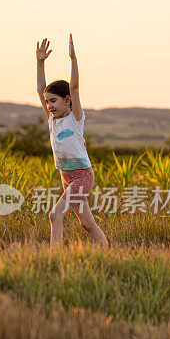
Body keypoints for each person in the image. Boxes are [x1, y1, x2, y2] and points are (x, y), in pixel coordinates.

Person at [36, 34, 109, 247]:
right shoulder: (52, 120)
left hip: (82, 176)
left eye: (54, 101)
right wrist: (40, 63)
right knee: (87, 224)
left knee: (55, 215)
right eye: (47, 101)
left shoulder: (75, 119)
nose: (49, 105)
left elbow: (75, 87)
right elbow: (40, 89)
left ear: (67, 100)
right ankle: (106, 251)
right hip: (65, 176)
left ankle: (53, 260)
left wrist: (73, 59)